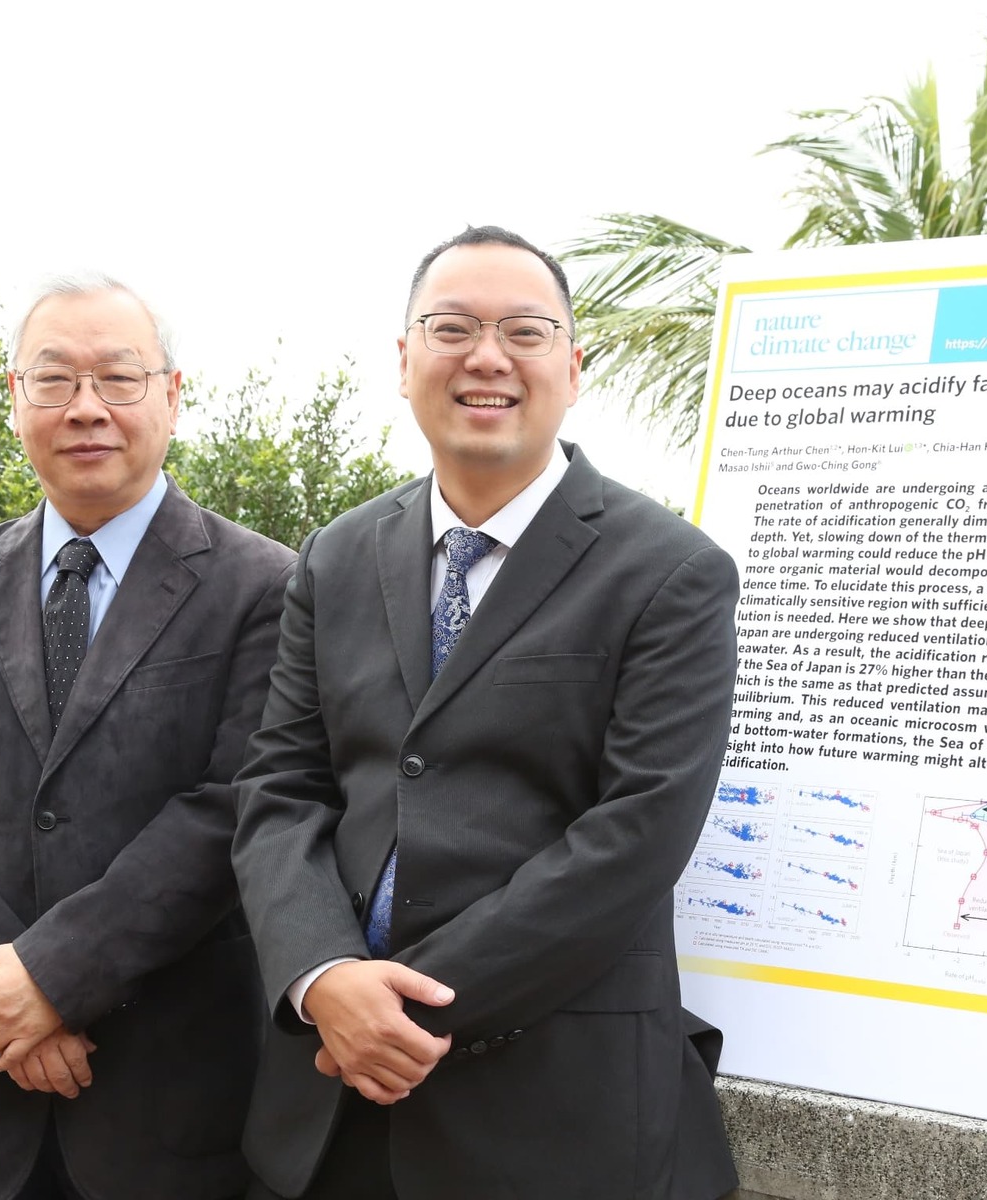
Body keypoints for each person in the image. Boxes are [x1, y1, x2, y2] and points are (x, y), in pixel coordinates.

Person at [231, 227, 741, 1199]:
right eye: (453, 327)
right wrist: (322, 976)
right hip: (327, 1107)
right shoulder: (336, 558)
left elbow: (638, 833)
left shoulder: (669, 571)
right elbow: (279, 789)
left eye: (525, 331)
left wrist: (402, 1010)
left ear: (575, 366)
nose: (487, 356)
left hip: (554, 1113)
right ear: (405, 358)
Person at [0, 275, 295, 1200]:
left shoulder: (265, 586)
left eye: (119, 379)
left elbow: (234, 805)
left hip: (170, 1103)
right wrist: (5, 999)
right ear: (15, 398)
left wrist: (55, 976)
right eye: (54, 381)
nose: (86, 409)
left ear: (172, 395)